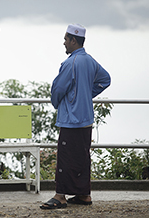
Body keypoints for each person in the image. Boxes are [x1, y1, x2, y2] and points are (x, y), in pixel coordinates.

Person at [41, 24, 111, 210]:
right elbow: (106, 80)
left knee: (65, 158)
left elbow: (57, 90)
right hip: (86, 119)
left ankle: (60, 196)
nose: (64, 42)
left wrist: (57, 103)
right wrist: (87, 94)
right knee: (82, 157)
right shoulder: (90, 61)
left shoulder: (70, 63)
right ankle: (84, 194)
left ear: (73, 40)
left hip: (70, 120)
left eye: (65, 39)